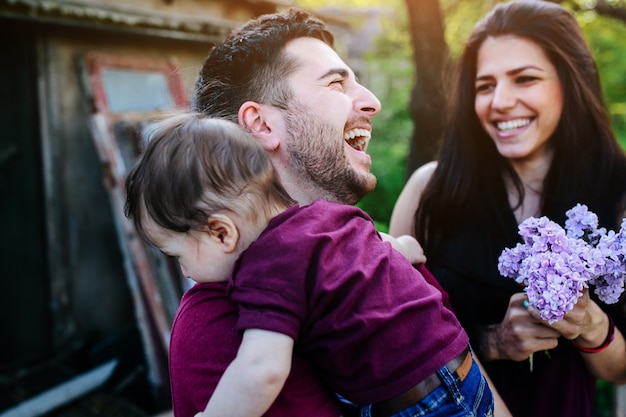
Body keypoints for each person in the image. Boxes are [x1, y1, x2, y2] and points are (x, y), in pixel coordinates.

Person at [124, 113, 494, 417]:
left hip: (420, 404)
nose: (185, 273)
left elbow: (262, 369)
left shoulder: (265, 270)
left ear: (222, 233)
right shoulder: (327, 217)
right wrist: (405, 246)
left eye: (179, 256)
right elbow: (388, 247)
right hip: (467, 376)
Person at [389, 1, 626, 416]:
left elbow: (621, 370)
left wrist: (591, 324)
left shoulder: (619, 193)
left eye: (524, 78)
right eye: (485, 86)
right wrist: (491, 341)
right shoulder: (429, 191)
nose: (500, 101)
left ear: (569, 83)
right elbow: (393, 342)